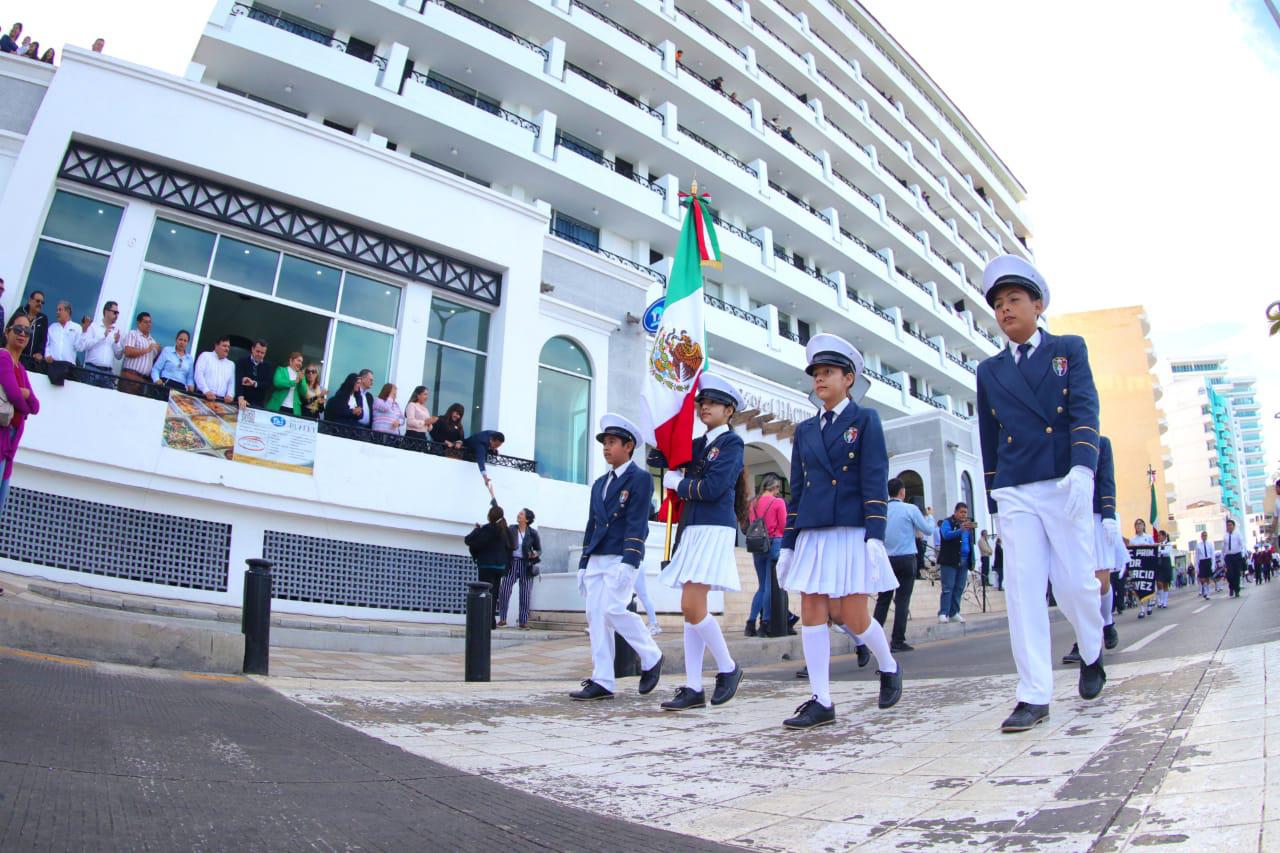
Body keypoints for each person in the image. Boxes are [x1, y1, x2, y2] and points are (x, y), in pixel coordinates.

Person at [976, 254, 1105, 734]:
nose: (1005, 310)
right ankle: (1033, 694)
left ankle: (1091, 649)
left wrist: (1083, 468)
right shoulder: (989, 370)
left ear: (1037, 304)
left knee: (1076, 585)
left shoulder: (1068, 348)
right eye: (997, 304)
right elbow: (989, 434)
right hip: (1016, 487)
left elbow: (1085, 407)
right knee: (1022, 590)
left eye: (1013, 300)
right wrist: (993, 496)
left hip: (1062, 479)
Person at [776, 334, 899, 729]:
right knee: (811, 609)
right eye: (815, 373)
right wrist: (789, 544)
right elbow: (798, 489)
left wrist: (875, 535)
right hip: (813, 530)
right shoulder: (806, 429)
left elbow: (875, 477)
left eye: (828, 372)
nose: (819, 379)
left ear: (849, 378)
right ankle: (821, 699)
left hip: (849, 528)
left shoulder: (865, 420)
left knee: (853, 615)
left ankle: (889, 665)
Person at [656, 374, 747, 712]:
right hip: (692, 528)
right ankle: (693, 686)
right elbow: (672, 452)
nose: (704, 406)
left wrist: (679, 485)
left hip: (712, 527)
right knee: (691, 611)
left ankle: (728, 668)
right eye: (702, 402)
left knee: (692, 607)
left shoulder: (732, 444)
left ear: (730, 409)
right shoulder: (699, 444)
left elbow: (712, 487)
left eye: (713, 402)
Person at [570, 414, 663, 701]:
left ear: (629, 445)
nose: (606, 448)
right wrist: (584, 563)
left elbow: (638, 522)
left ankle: (652, 656)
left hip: (621, 556)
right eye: (604, 443)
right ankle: (603, 680)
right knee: (595, 617)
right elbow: (591, 525)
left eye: (612, 442)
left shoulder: (641, 479)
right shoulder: (600, 483)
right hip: (598, 555)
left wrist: (630, 559)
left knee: (613, 610)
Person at [1064, 434, 1123, 663]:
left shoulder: (1101, 443)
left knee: (1101, 581)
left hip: (1097, 516)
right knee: (1079, 584)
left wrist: (1108, 515)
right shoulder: (1060, 441)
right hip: (1072, 516)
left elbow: (1107, 480)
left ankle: (1107, 622)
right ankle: (1084, 641)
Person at [0, 313, 40, 596]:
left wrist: (25, 397)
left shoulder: (21, 367)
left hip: (10, 447)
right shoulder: (2, 358)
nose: (22, 334)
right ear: (7, 331)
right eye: (17, 329)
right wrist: (24, 398)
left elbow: (35, 405)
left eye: (26, 331)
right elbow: (17, 397)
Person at [878, 477, 935, 653]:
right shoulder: (910, 509)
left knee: (883, 600)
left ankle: (874, 640)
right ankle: (897, 640)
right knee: (902, 601)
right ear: (902, 492)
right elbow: (927, 530)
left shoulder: (882, 509)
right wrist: (930, 516)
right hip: (906, 558)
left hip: (886, 558)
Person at [745, 474, 786, 637]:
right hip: (773, 544)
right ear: (775, 487)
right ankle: (765, 624)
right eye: (778, 489)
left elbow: (750, 523)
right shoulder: (778, 502)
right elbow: (783, 526)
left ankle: (750, 624)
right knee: (770, 586)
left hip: (756, 545)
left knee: (761, 587)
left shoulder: (753, 503)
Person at [464, 506, 511, 630]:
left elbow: (470, 541)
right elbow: (511, 547)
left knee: (484, 593)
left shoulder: (487, 529)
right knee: (494, 594)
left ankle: (484, 621)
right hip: (500, 567)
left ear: (490, 516)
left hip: (486, 566)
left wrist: (476, 530)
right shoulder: (505, 530)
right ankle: (491, 621)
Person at [497, 508, 541, 629]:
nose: (518, 515)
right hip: (511, 563)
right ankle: (502, 619)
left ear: (527, 519)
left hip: (526, 565)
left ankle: (523, 622)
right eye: (519, 513)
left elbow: (539, 549)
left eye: (521, 514)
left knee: (525, 593)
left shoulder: (532, 533)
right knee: (504, 591)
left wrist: (535, 553)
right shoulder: (511, 529)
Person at [936, 502, 976, 624]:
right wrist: (960, 530)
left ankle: (954, 613)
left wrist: (972, 559)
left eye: (965, 512)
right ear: (956, 512)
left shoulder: (967, 525)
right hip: (950, 560)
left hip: (964, 560)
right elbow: (946, 535)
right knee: (948, 587)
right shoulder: (947, 522)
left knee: (959, 588)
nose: (964, 514)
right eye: (962, 512)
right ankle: (943, 613)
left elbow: (969, 542)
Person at [77, 301, 124, 387]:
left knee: (105, 400)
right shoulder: (94, 327)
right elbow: (84, 346)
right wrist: (102, 336)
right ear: (106, 311)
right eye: (115, 312)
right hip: (91, 370)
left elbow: (118, 356)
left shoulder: (116, 330)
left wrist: (116, 342)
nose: (117, 315)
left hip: (107, 374)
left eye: (118, 313)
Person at [119, 311, 162, 393]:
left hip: (144, 381)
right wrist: (147, 350)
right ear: (138, 323)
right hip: (130, 377)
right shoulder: (133, 334)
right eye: (146, 322)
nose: (149, 324)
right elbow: (128, 352)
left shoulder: (152, 341)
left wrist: (159, 351)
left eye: (150, 322)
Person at [43, 300, 80, 377]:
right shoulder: (52, 327)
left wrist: (85, 333)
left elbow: (79, 347)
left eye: (60, 310)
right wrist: (47, 355)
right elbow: (47, 344)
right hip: (53, 365)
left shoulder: (76, 327)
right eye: (57, 310)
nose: (57, 312)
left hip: (69, 367)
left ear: (68, 311)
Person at [194, 336, 236, 403]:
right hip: (203, 396)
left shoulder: (231, 364)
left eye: (228, 347)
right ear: (216, 346)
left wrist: (230, 395)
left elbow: (231, 383)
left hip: (220, 401)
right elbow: (198, 374)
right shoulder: (205, 356)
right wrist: (206, 391)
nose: (227, 349)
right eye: (224, 346)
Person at [1129, 519, 1156, 618]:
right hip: (1137, 567)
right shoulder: (1133, 539)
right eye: (1136, 524)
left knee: (1147, 585)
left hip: (1147, 565)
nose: (1138, 526)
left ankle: (1149, 605)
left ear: (1144, 526)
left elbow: (1153, 549)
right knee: (1138, 587)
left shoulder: (1148, 537)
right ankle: (1141, 609)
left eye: (1140, 524)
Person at [234, 339, 271, 410]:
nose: (259, 354)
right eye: (258, 351)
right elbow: (238, 380)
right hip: (241, 403)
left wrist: (254, 383)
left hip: (258, 405)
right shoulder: (242, 361)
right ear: (252, 349)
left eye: (262, 353)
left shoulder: (268, 366)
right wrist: (240, 398)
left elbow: (268, 384)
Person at [19, 291, 48, 365]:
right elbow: (9, 331)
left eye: (42, 302)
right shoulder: (20, 312)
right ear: (30, 301)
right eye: (38, 301)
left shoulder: (43, 319)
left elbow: (43, 339)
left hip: (31, 361)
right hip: (15, 356)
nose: (40, 304)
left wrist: (40, 353)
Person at [1222, 519, 1246, 598]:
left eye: (1230, 525)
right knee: (1229, 574)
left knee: (1236, 573)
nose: (1229, 527)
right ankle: (1231, 587)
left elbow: (1242, 544)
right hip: (1228, 556)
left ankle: (1236, 590)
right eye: (1227, 525)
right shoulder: (1225, 536)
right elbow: (1223, 548)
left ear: (1233, 526)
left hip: (1237, 555)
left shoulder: (1238, 534)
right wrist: (1223, 558)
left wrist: (1243, 554)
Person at [1155, 530, 1174, 608]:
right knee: (1159, 583)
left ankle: (1164, 601)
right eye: (1158, 536)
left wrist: (1158, 550)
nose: (1159, 537)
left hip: (1166, 563)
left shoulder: (1168, 544)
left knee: (1165, 583)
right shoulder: (1158, 544)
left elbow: (1166, 552)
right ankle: (1160, 600)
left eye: (1160, 536)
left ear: (1164, 536)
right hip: (1159, 563)